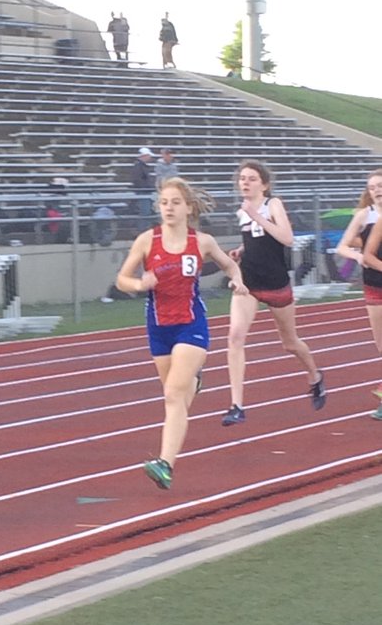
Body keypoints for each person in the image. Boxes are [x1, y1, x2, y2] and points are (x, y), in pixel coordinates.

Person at [116, 177, 246, 489]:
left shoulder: (202, 242)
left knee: (173, 395)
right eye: (164, 203)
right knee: (178, 398)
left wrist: (237, 281)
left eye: (175, 202)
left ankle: (164, 464)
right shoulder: (147, 240)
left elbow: (230, 266)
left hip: (191, 324)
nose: (169, 208)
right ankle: (195, 380)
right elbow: (121, 278)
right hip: (159, 327)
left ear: (188, 208)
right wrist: (138, 284)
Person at [222, 160, 326, 426]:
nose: (245, 182)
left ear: (264, 184)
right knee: (235, 337)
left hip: (276, 283)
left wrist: (256, 215)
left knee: (290, 343)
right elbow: (256, 239)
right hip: (248, 283)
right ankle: (236, 405)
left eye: (251, 179)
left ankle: (315, 376)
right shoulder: (242, 211)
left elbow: (287, 238)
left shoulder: (272, 204)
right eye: (242, 178)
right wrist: (241, 250)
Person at [338, 170, 382, 418]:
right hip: (374, 283)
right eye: (372, 187)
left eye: (380, 185)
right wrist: (358, 255)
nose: (377, 190)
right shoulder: (365, 215)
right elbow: (342, 245)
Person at [130, 146, 156, 230]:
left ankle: (143, 230)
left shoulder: (139, 166)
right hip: (143, 192)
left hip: (144, 192)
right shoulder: (139, 167)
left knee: (145, 213)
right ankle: (143, 230)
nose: (150, 158)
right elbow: (138, 180)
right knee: (145, 213)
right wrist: (148, 186)